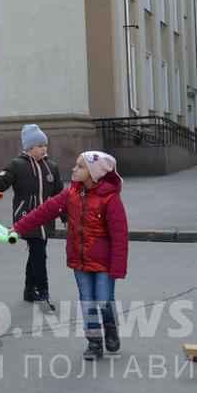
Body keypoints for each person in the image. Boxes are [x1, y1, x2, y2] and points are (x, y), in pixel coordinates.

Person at [13, 151, 129, 361]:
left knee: (104, 299)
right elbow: (45, 211)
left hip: (104, 263)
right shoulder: (71, 194)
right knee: (87, 300)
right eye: (76, 165)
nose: (74, 169)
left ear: (94, 173)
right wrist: (19, 227)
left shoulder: (110, 199)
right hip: (79, 260)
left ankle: (110, 329)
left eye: (80, 166)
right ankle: (94, 342)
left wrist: (118, 267)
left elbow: (120, 236)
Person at [0, 124, 64, 304]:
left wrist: (64, 215)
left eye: (45, 145)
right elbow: (0, 183)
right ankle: (43, 289)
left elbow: (59, 194)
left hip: (46, 220)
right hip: (26, 217)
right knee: (39, 254)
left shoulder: (51, 166)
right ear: (29, 147)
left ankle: (29, 290)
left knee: (35, 254)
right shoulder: (17, 165)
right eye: (39, 146)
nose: (44, 149)